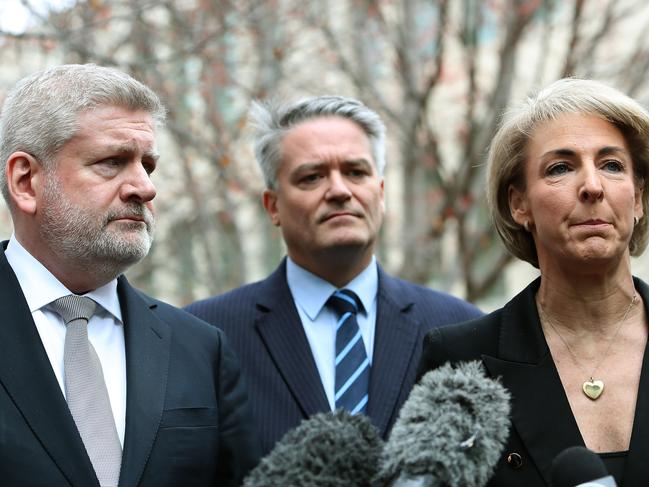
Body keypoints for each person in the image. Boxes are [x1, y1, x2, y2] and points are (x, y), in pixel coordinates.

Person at [0, 64, 259, 487]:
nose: (144, 187)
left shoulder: (200, 348)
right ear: (26, 180)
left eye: (148, 166)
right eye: (112, 162)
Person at [185, 95, 482, 456]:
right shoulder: (206, 337)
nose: (340, 191)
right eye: (312, 177)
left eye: (356, 172)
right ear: (273, 206)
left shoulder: (460, 330)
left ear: (381, 193)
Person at [418, 78, 649, 486]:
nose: (592, 186)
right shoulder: (460, 362)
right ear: (518, 203)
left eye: (612, 165)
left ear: (640, 198)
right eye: (560, 168)